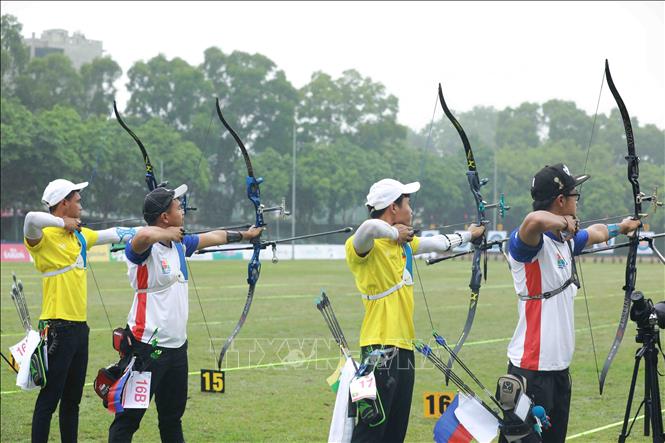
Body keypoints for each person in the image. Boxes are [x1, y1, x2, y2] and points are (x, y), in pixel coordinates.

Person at [108, 184, 262, 443]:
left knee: (171, 418)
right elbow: (142, 236)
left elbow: (215, 237)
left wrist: (247, 234)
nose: (183, 209)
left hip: (177, 349)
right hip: (147, 348)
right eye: (177, 206)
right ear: (164, 217)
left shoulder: (179, 245)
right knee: (128, 420)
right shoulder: (143, 249)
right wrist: (164, 233)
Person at [504, 163, 641, 443]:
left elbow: (598, 232)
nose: (578, 200)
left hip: (558, 371)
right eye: (574, 194)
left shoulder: (565, 241)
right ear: (561, 200)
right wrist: (564, 222)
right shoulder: (530, 244)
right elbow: (532, 221)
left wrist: (623, 227)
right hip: (531, 370)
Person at [344, 178, 485, 443]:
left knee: (396, 431)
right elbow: (367, 227)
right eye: (407, 202)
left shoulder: (405, 245)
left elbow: (440, 243)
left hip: (404, 350)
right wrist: (393, 233)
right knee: (371, 430)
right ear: (393, 208)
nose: (411, 208)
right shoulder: (363, 247)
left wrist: (470, 234)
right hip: (377, 350)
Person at [24, 179, 141, 443]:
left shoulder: (79, 235)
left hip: (79, 329)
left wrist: (149, 230)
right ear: (63, 203)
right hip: (56, 327)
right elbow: (31, 218)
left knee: (72, 401)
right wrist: (60, 223)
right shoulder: (43, 238)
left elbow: (113, 233)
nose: (81, 204)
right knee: (49, 399)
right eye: (77, 200)